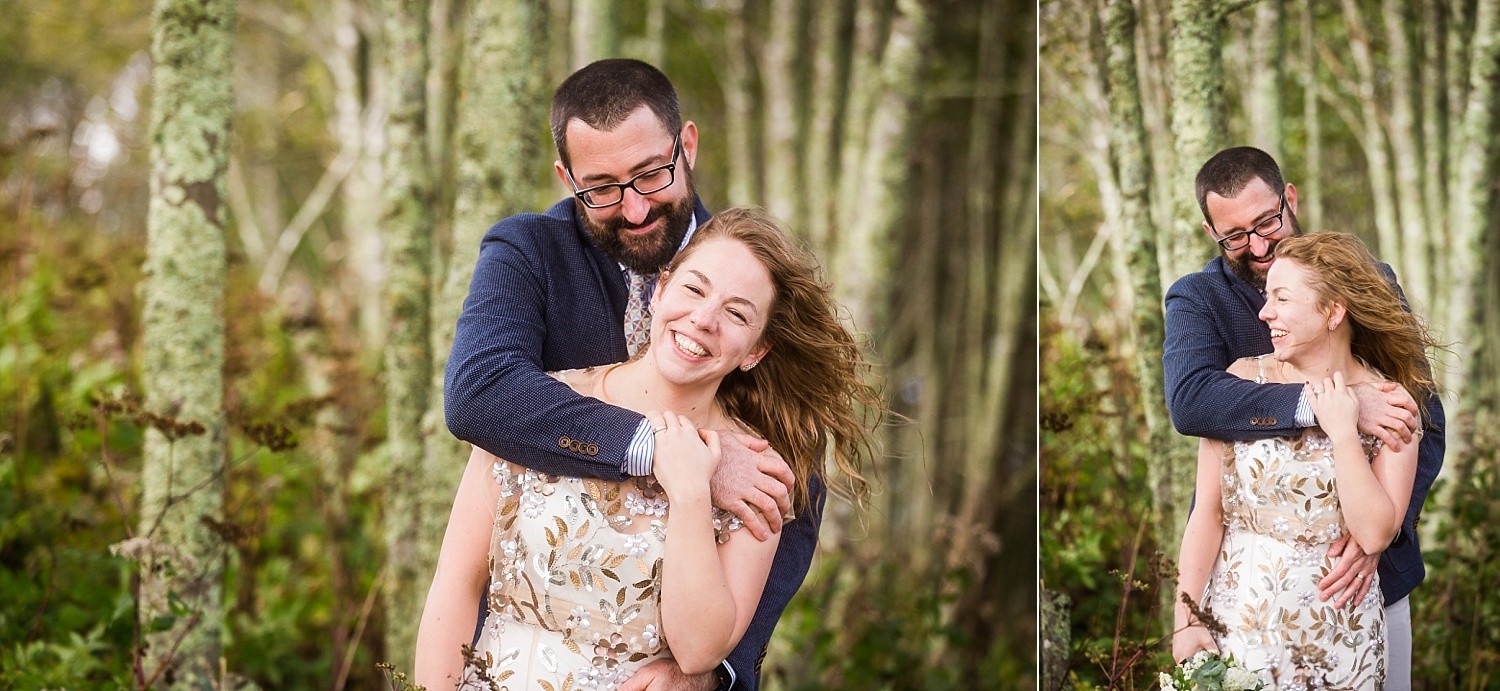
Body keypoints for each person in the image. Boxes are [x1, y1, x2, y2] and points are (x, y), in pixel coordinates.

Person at [441, 59, 819, 690]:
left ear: (687, 146)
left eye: (651, 174)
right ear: (567, 180)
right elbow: (481, 393)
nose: (636, 208)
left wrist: (714, 667)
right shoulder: (528, 254)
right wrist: (668, 450)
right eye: (602, 188)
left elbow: (791, 490)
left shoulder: (751, 274)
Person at [416, 208, 879, 690]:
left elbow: (699, 649)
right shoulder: (535, 410)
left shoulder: (756, 472)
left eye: (737, 313)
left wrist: (691, 494)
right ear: (659, 292)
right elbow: (456, 585)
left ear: (755, 352)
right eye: (694, 289)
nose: (703, 319)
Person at [1163, 147, 1444, 688]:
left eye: (1267, 221)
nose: (1260, 245)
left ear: (1289, 198)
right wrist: (1324, 406)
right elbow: (1194, 401)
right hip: (1245, 605)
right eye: (1236, 236)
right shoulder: (1200, 299)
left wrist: (1378, 537)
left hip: (1364, 589)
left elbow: (1420, 421)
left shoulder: (1368, 281)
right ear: (1212, 233)